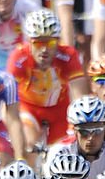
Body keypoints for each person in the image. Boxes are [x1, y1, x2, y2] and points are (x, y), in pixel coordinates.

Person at [8, 8, 87, 149]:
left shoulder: (68, 55)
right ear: (29, 42)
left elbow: (79, 96)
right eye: (38, 43)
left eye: (50, 43)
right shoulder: (19, 57)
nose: (44, 50)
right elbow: (7, 101)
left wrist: (75, 127)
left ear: (58, 41)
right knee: (30, 144)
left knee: (62, 150)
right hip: (29, 108)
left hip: (60, 110)